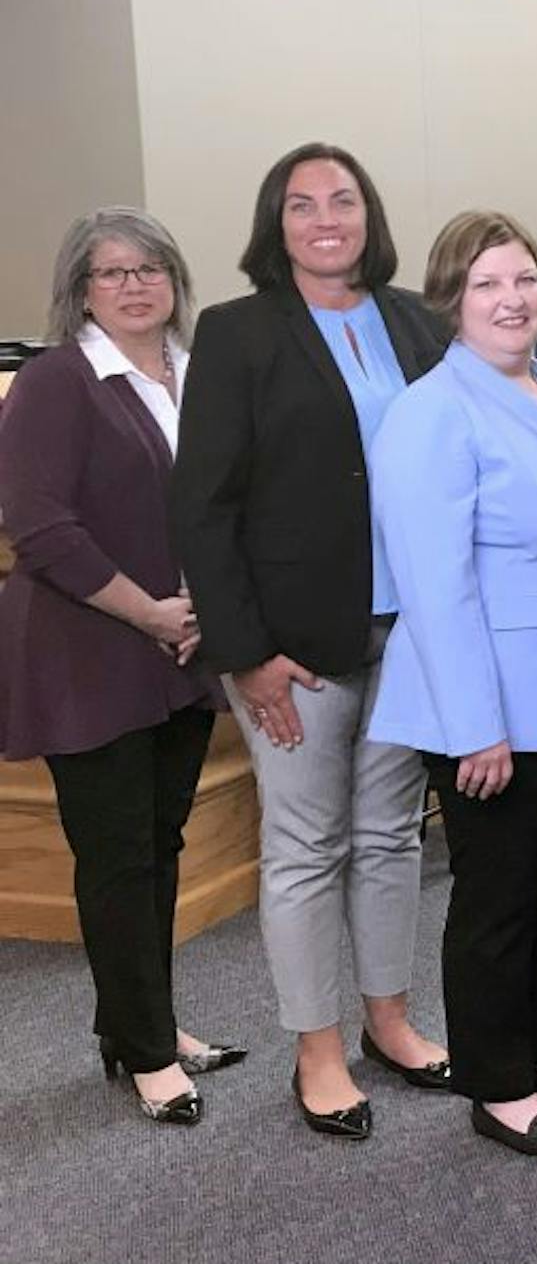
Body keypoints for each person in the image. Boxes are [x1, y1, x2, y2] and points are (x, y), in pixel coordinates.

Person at [171, 142, 449, 1140]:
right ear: (275, 223)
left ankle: (391, 1018)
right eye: (302, 203)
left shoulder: (416, 319)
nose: (325, 217)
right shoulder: (238, 334)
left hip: (408, 637)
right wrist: (244, 650)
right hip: (292, 649)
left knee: (390, 839)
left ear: (369, 214)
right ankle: (318, 1050)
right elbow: (202, 508)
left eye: (342, 199)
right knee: (301, 848)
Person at [367, 212, 537, 1159]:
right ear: (452, 301)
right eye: (487, 285)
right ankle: (497, 1081)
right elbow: (435, 590)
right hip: (487, 703)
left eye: (524, 280)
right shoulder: (432, 411)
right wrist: (476, 727)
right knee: (498, 894)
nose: (511, 300)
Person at [0, 209, 242, 1124]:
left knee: (159, 844)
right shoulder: (59, 380)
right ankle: (147, 1054)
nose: (135, 284)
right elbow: (38, 525)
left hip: (178, 648)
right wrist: (150, 611)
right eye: (112, 273)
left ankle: (140, 1023)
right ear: (81, 291)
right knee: (114, 856)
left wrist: (199, 615)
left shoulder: (191, 377)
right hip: (87, 647)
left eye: (151, 267)